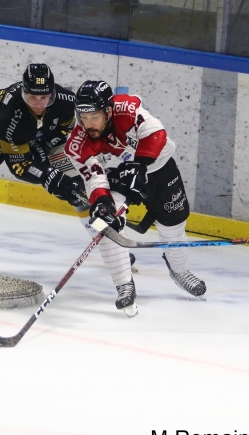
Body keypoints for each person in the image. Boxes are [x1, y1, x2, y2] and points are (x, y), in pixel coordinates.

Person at [64, 80, 206, 317]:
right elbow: (95, 178)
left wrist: (140, 166)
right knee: (103, 223)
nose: (88, 124)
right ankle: (124, 284)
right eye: (83, 117)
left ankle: (179, 271)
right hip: (117, 174)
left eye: (94, 117)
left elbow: (156, 133)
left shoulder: (127, 109)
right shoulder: (78, 143)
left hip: (157, 165)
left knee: (174, 221)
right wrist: (102, 202)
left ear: (108, 111)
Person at [0, 64, 88, 247]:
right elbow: (19, 166)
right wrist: (47, 175)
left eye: (44, 97)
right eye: (32, 97)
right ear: (24, 92)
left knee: (79, 187)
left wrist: (42, 148)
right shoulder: (13, 112)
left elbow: (65, 129)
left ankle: (110, 247)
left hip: (42, 138)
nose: (38, 104)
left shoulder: (66, 102)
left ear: (52, 93)